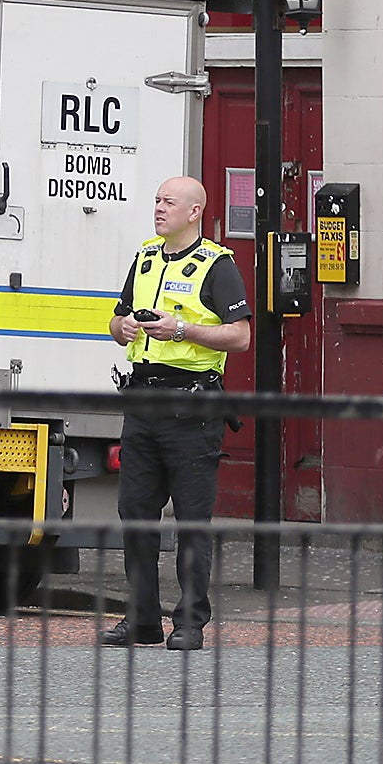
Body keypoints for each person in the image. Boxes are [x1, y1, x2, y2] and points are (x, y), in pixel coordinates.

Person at [102, 176, 252, 653]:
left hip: (192, 408)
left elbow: (241, 336)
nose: (159, 207)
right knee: (136, 515)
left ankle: (189, 622)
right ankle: (142, 619)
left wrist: (182, 329)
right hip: (143, 403)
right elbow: (114, 318)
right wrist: (121, 327)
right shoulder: (145, 258)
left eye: (169, 201)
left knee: (191, 519)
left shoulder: (217, 265)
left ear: (194, 212)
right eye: (157, 199)